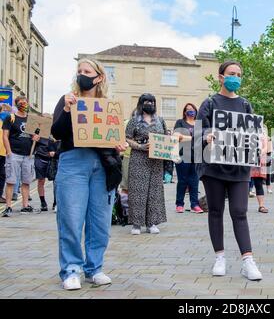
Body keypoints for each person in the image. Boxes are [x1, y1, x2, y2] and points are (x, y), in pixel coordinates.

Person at [51, 58, 126, 290]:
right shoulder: (68, 101)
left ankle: (95, 268)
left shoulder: (108, 106)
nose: (81, 74)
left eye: (87, 71)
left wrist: (118, 145)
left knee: (100, 220)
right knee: (71, 218)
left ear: (99, 77)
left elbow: (113, 137)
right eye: (79, 71)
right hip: (74, 162)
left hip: (102, 166)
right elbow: (57, 132)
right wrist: (66, 109)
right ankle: (71, 269)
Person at [197, 60, 262, 281]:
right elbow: (199, 129)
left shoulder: (245, 105)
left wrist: (260, 141)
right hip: (213, 167)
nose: (235, 77)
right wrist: (206, 135)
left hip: (239, 168)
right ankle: (220, 257)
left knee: (239, 211)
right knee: (215, 211)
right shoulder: (209, 103)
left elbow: (253, 132)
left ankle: (248, 260)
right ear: (221, 77)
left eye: (239, 74)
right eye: (231, 73)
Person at [126, 93, 168, 235]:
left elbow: (166, 139)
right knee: (138, 190)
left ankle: (152, 223)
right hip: (138, 157)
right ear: (141, 103)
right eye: (146, 101)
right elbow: (127, 139)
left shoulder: (160, 120)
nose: (149, 104)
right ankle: (136, 224)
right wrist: (139, 146)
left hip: (156, 160)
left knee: (154, 191)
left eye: (152, 101)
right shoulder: (134, 121)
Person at [1, 97, 40, 217]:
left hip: (28, 155)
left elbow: (35, 136)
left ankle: (25, 206)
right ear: (16, 104)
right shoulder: (11, 118)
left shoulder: (31, 119)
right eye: (21, 103)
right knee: (11, 181)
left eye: (25, 102)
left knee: (26, 181)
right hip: (14, 154)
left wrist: (36, 138)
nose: (24, 104)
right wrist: (8, 152)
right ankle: (8, 207)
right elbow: (5, 136)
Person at [173, 103, 204, 213]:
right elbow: (176, 136)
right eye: (188, 109)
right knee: (182, 180)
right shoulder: (180, 122)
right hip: (183, 155)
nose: (191, 111)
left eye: (193, 109)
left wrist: (186, 137)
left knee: (194, 181)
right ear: (185, 111)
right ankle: (179, 204)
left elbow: (202, 139)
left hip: (196, 155)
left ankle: (194, 204)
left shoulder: (199, 124)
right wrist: (192, 138)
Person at [34, 137, 57, 212]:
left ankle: (56, 202)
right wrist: (34, 139)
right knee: (41, 180)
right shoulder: (39, 128)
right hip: (40, 156)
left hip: (53, 157)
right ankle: (43, 202)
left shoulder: (55, 127)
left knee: (56, 181)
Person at [250, 125, 269, 213]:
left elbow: (265, 147)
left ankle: (261, 206)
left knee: (258, 183)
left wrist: (261, 152)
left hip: (258, 160)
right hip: (246, 160)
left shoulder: (262, 132)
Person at [0, 103, 12, 204]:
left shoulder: (3, 118)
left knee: (2, 175)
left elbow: (11, 113)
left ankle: (0, 195)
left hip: (3, 152)